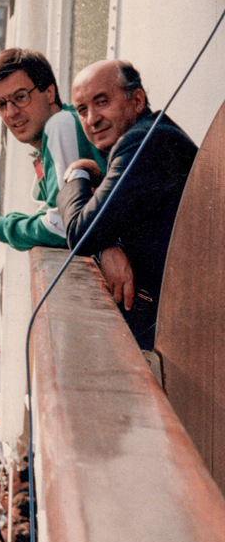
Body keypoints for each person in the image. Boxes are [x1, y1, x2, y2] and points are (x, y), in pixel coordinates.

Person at [57, 59, 197, 350]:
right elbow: (105, 223)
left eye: (102, 102)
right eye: (82, 109)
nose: (92, 119)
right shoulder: (152, 133)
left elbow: (81, 232)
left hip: (180, 333)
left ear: (137, 101)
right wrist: (108, 246)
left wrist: (77, 172)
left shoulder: (144, 142)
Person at [0, 48, 106, 256]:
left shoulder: (61, 124)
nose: (11, 112)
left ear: (49, 93)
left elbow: (64, 226)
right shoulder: (52, 139)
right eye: (1, 104)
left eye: (20, 97)